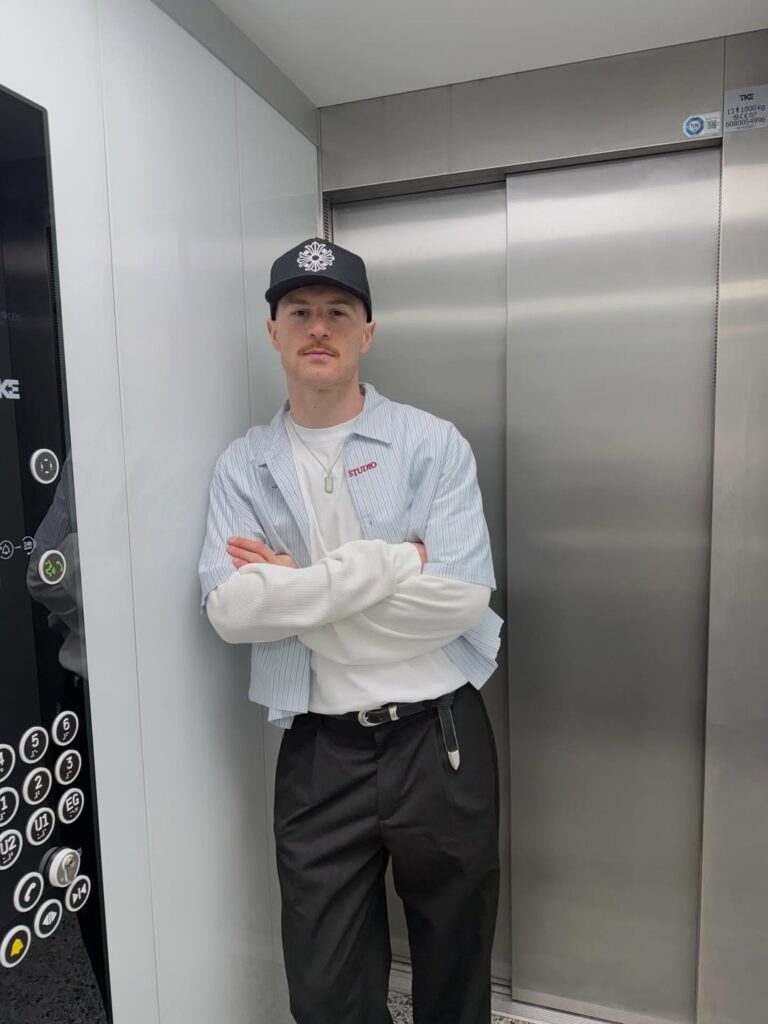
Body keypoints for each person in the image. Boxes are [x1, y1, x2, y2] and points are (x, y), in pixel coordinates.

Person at [198, 237, 504, 1024]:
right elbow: (230, 611)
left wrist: (295, 589)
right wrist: (394, 561)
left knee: (455, 968)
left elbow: (460, 600)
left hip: (440, 742)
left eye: (338, 312)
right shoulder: (244, 465)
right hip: (318, 752)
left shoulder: (432, 444)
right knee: (326, 990)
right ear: (273, 331)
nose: (318, 327)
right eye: (299, 311)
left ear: (367, 331)